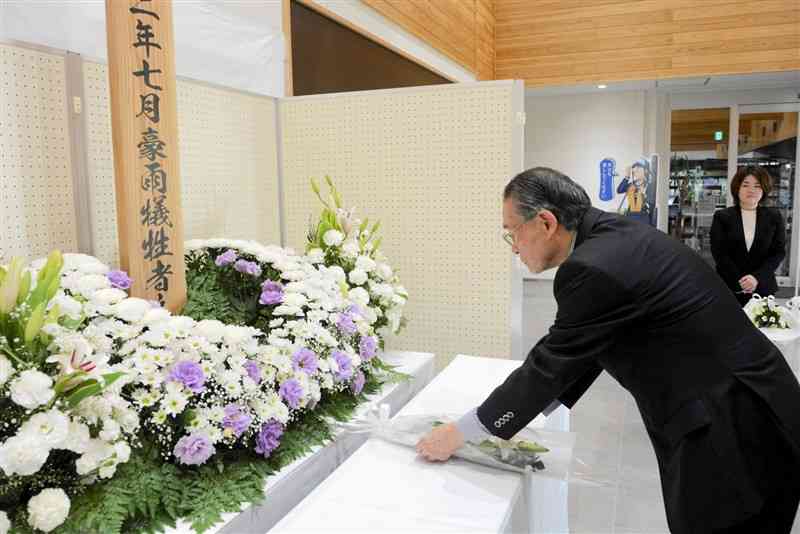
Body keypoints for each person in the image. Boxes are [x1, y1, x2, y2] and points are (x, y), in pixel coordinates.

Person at [416, 167, 800, 533]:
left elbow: (551, 363)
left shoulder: (592, 267)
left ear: (546, 223)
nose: (513, 248)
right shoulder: (615, 237)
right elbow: (589, 343)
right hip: (753, 405)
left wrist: (465, 431)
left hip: (735, 431)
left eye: (512, 233)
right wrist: (525, 412)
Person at [710, 166, 786, 305]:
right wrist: (741, 281)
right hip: (729, 286)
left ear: (764, 190)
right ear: (737, 188)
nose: (751, 190)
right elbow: (719, 253)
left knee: (762, 326)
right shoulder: (722, 217)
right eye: (745, 185)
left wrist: (756, 278)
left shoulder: (774, 216)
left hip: (763, 286)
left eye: (757, 186)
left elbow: (778, 252)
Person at [617, 158, 656, 226]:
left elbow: (652, 203)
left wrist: (644, 194)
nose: (635, 171)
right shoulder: (631, 185)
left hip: (643, 218)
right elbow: (619, 190)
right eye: (635, 169)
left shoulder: (649, 186)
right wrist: (627, 177)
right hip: (630, 217)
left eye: (638, 168)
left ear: (646, 171)